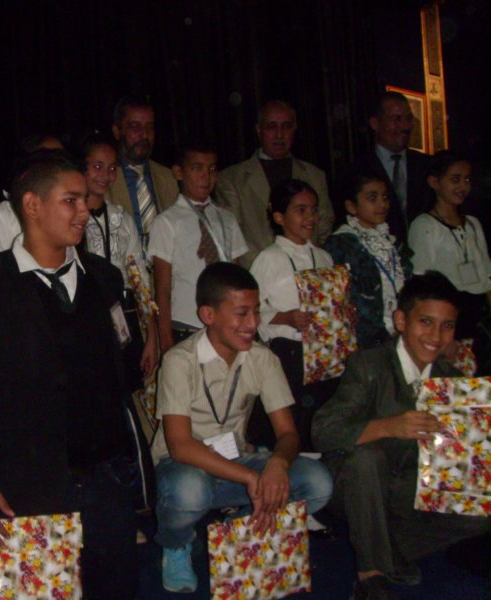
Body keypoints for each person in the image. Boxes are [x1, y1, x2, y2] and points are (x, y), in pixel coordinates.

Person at [0, 150, 153, 600]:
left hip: (105, 482)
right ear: (32, 205)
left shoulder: (104, 277)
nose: (85, 211)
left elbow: (122, 371)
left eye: (85, 201)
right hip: (24, 483)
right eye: (71, 200)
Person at [152, 262, 333, 593]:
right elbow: (180, 445)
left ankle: (240, 523)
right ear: (208, 315)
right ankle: (176, 543)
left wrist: (277, 464)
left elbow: (288, 434)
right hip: (184, 466)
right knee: (189, 490)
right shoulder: (179, 361)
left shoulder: (263, 358)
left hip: (237, 460)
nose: (253, 323)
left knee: (317, 482)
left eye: (256, 311)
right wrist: (252, 478)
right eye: (241, 313)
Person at [312, 272, 491, 600]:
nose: (436, 335)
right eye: (426, 322)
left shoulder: (452, 380)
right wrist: (389, 426)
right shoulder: (369, 365)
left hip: (410, 491)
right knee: (367, 458)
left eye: (447, 326)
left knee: (482, 508)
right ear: (400, 320)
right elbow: (323, 431)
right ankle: (371, 575)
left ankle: (384, 547)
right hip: (357, 485)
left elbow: (461, 465)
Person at [249, 179, 336, 451]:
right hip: (289, 352)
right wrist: (285, 317)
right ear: (279, 217)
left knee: (318, 421)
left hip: (322, 353)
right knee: (290, 421)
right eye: (300, 210)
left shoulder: (324, 257)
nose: (310, 217)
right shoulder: (269, 258)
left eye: (314, 210)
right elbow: (250, 309)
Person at [148, 140, 248, 353]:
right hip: (187, 326)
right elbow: (162, 289)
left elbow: (237, 275)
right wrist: (165, 342)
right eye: (197, 168)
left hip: (226, 325)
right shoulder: (167, 222)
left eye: (212, 169)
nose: (206, 176)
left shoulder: (227, 219)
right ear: (179, 172)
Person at [80, 132, 159, 387]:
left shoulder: (122, 219)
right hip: (85, 317)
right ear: (82, 168)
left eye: (112, 168)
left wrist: (152, 336)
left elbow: (140, 279)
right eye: (97, 166)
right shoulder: (71, 219)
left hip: (123, 315)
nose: (105, 175)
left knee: (126, 387)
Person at [215, 100, 334, 268]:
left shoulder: (315, 175)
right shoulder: (231, 179)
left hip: (309, 272)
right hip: (256, 272)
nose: (279, 134)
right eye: (272, 126)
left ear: (295, 129)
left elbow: (324, 227)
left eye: (286, 126)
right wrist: (268, 266)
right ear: (259, 130)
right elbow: (231, 236)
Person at [408, 151, 491, 340]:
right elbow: (423, 282)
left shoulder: (473, 223)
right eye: (455, 179)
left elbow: (487, 275)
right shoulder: (424, 225)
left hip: (480, 311)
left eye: (467, 180)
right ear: (434, 182)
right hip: (449, 312)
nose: (463, 186)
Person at [325, 174, 412, 349]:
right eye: (372, 198)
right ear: (351, 206)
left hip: (399, 327)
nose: (382, 204)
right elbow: (347, 300)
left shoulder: (390, 240)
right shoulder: (342, 244)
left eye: (385, 197)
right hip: (366, 337)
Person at [338, 91, 430, 242]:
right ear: (375, 123)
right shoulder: (356, 169)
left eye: (408, 119)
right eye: (396, 119)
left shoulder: (427, 165)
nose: (405, 126)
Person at [0, 133, 64, 261]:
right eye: (49, 158)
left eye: (61, 157)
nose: (58, 164)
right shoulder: (5, 214)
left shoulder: (68, 209)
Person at [108, 95, 178, 246]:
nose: (144, 135)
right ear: (117, 131)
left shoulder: (168, 178)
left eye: (150, 127)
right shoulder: (104, 178)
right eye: (135, 127)